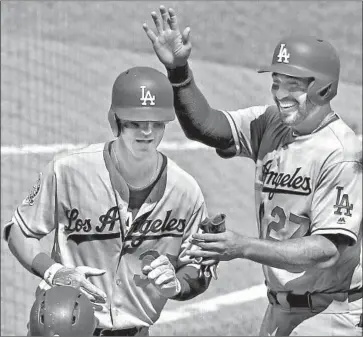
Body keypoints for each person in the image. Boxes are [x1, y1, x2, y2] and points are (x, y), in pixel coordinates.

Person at [143, 6, 363, 336]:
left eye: (293, 85)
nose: (280, 95)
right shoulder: (270, 123)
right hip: (279, 312)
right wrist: (178, 71)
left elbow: (327, 250)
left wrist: (242, 247)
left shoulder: (341, 153)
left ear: (323, 88)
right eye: (276, 83)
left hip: (329, 314)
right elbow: (208, 127)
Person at [3, 66, 213, 336]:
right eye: (135, 122)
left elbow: (199, 267)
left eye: (155, 122)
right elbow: (20, 232)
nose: (146, 132)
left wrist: (177, 285)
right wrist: (54, 272)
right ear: (115, 120)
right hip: (63, 327)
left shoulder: (185, 191)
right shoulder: (68, 171)